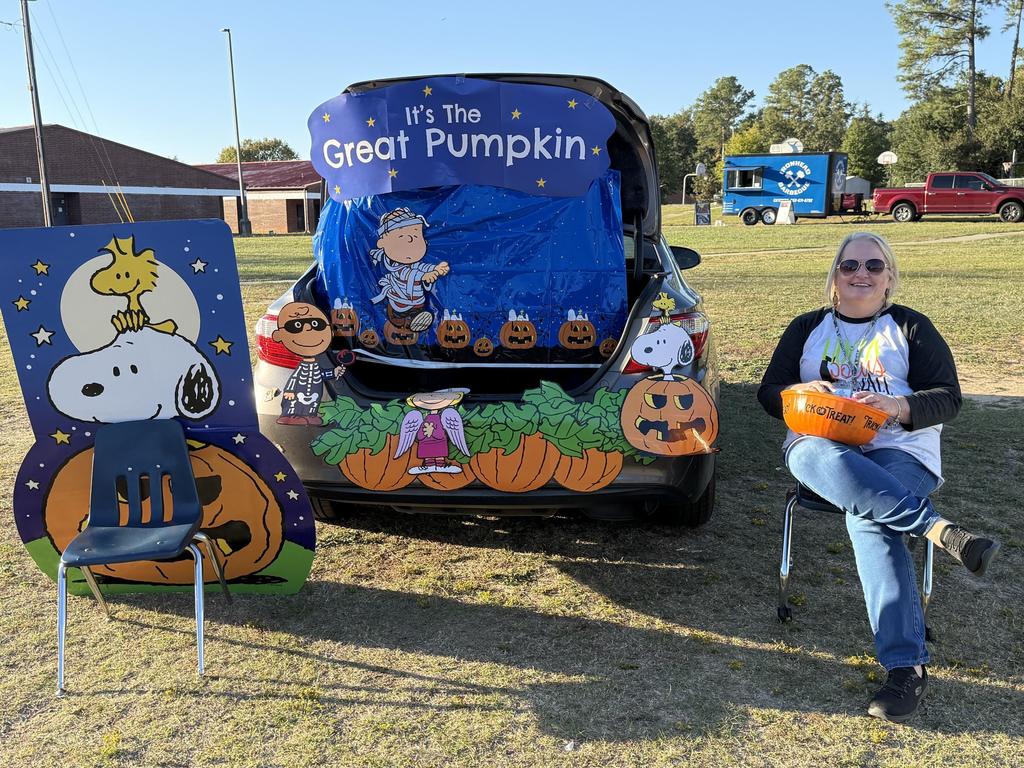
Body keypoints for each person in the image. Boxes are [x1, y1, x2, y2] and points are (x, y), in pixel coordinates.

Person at [757, 231, 1000, 723]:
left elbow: (948, 397)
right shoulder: (807, 327)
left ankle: (906, 668)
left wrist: (898, 405)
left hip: (899, 449)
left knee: (869, 519)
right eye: (849, 265)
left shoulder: (910, 327)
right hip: (823, 446)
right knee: (809, 457)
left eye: (873, 265)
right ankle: (937, 529)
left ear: (889, 277)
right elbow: (769, 392)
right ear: (834, 276)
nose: (860, 274)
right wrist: (800, 389)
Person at [369, 207, 450, 332]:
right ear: (382, 243)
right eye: (401, 236)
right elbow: (408, 273)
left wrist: (436, 268)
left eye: (416, 236)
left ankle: (416, 319)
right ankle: (407, 320)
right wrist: (424, 276)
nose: (410, 240)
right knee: (401, 317)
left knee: (416, 312)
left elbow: (420, 267)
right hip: (399, 303)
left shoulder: (413, 264)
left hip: (416, 302)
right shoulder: (395, 267)